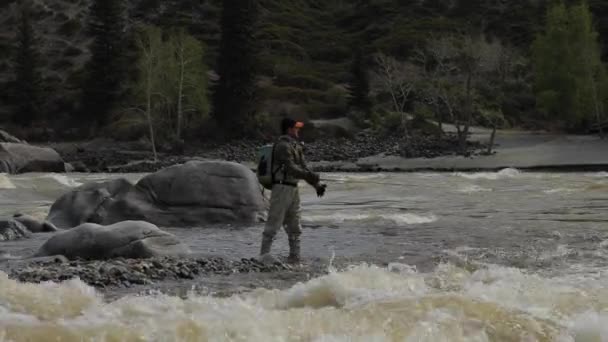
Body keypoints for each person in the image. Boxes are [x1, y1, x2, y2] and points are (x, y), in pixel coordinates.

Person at [260, 118, 326, 264]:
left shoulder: (296, 146)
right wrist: (309, 176)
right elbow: (291, 168)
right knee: (273, 224)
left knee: (295, 226)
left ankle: (294, 257)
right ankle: (263, 256)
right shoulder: (282, 146)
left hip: (293, 189)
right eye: (296, 128)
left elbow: (304, 168)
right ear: (289, 129)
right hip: (281, 187)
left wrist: (317, 185)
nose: (298, 130)